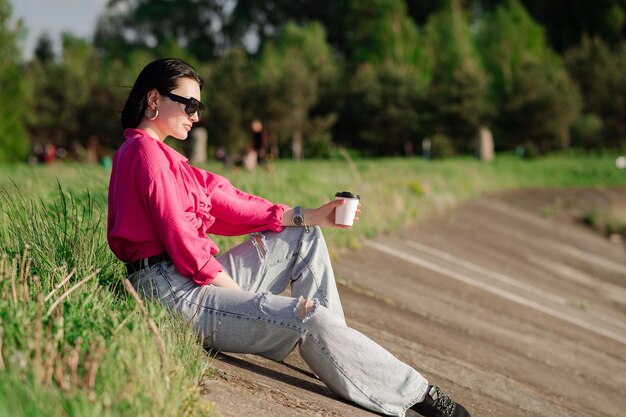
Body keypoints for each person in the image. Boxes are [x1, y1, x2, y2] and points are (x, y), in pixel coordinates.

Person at [107, 58, 470, 417]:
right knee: (307, 317)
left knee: (303, 237)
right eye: (190, 104)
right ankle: (417, 393)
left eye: (198, 106)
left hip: (186, 280)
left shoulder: (165, 157)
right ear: (154, 99)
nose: (196, 115)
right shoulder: (145, 155)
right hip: (172, 294)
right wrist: (242, 297)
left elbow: (227, 202)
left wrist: (309, 215)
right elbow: (185, 244)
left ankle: (339, 353)